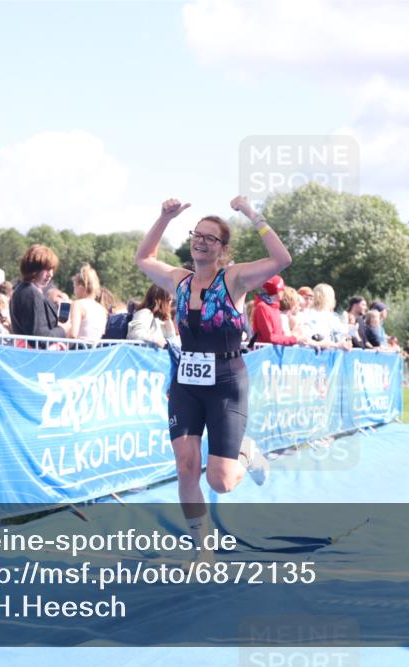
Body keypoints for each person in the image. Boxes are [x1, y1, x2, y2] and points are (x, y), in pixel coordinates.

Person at [135, 196, 291, 551]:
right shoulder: (180, 281)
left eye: (210, 237)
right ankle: (202, 548)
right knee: (187, 467)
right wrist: (163, 217)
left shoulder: (234, 279)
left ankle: (245, 453)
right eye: (197, 235)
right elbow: (143, 258)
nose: (201, 241)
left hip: (226, 383)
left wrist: (253, 214)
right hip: (186, 384)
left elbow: (282, 259)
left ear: (222, 249)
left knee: (220, 482)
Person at [9, 244, 69, 347]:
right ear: (34, 268)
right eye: (47, 269)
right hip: (35, 357)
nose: (51, 274)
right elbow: (40, 338)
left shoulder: (23, 290)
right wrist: (63, 329)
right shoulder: (30, 293)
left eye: (52, 270)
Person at [251, 275, 300, 346]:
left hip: (275, 352)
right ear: (277, 291)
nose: (284, 291)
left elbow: (279, 334)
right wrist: (293, 339)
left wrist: (293, 337)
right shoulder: (262, 307)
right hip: (266, 354)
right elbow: (269, 338)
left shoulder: (275, 307)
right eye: (282, 289)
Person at [68, 264, 107, 344]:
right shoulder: (102, 309)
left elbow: (73, 334)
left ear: (80, 287)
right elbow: (102, 332)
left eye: (74, 287)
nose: (74, 291)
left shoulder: (77, 304)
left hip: (80, 351)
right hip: (96, 352)